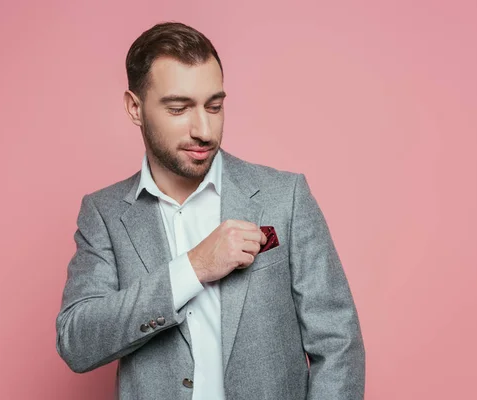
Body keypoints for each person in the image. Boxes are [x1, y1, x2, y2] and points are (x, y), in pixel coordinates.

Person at [55, 21, 365, 400]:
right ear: (135, 108)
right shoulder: (103, 214)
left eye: (214, 106)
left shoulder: (285, 196)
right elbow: (77, 341)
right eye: (178, 108)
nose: (203, 129)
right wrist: (194, 268)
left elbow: (338, 342)